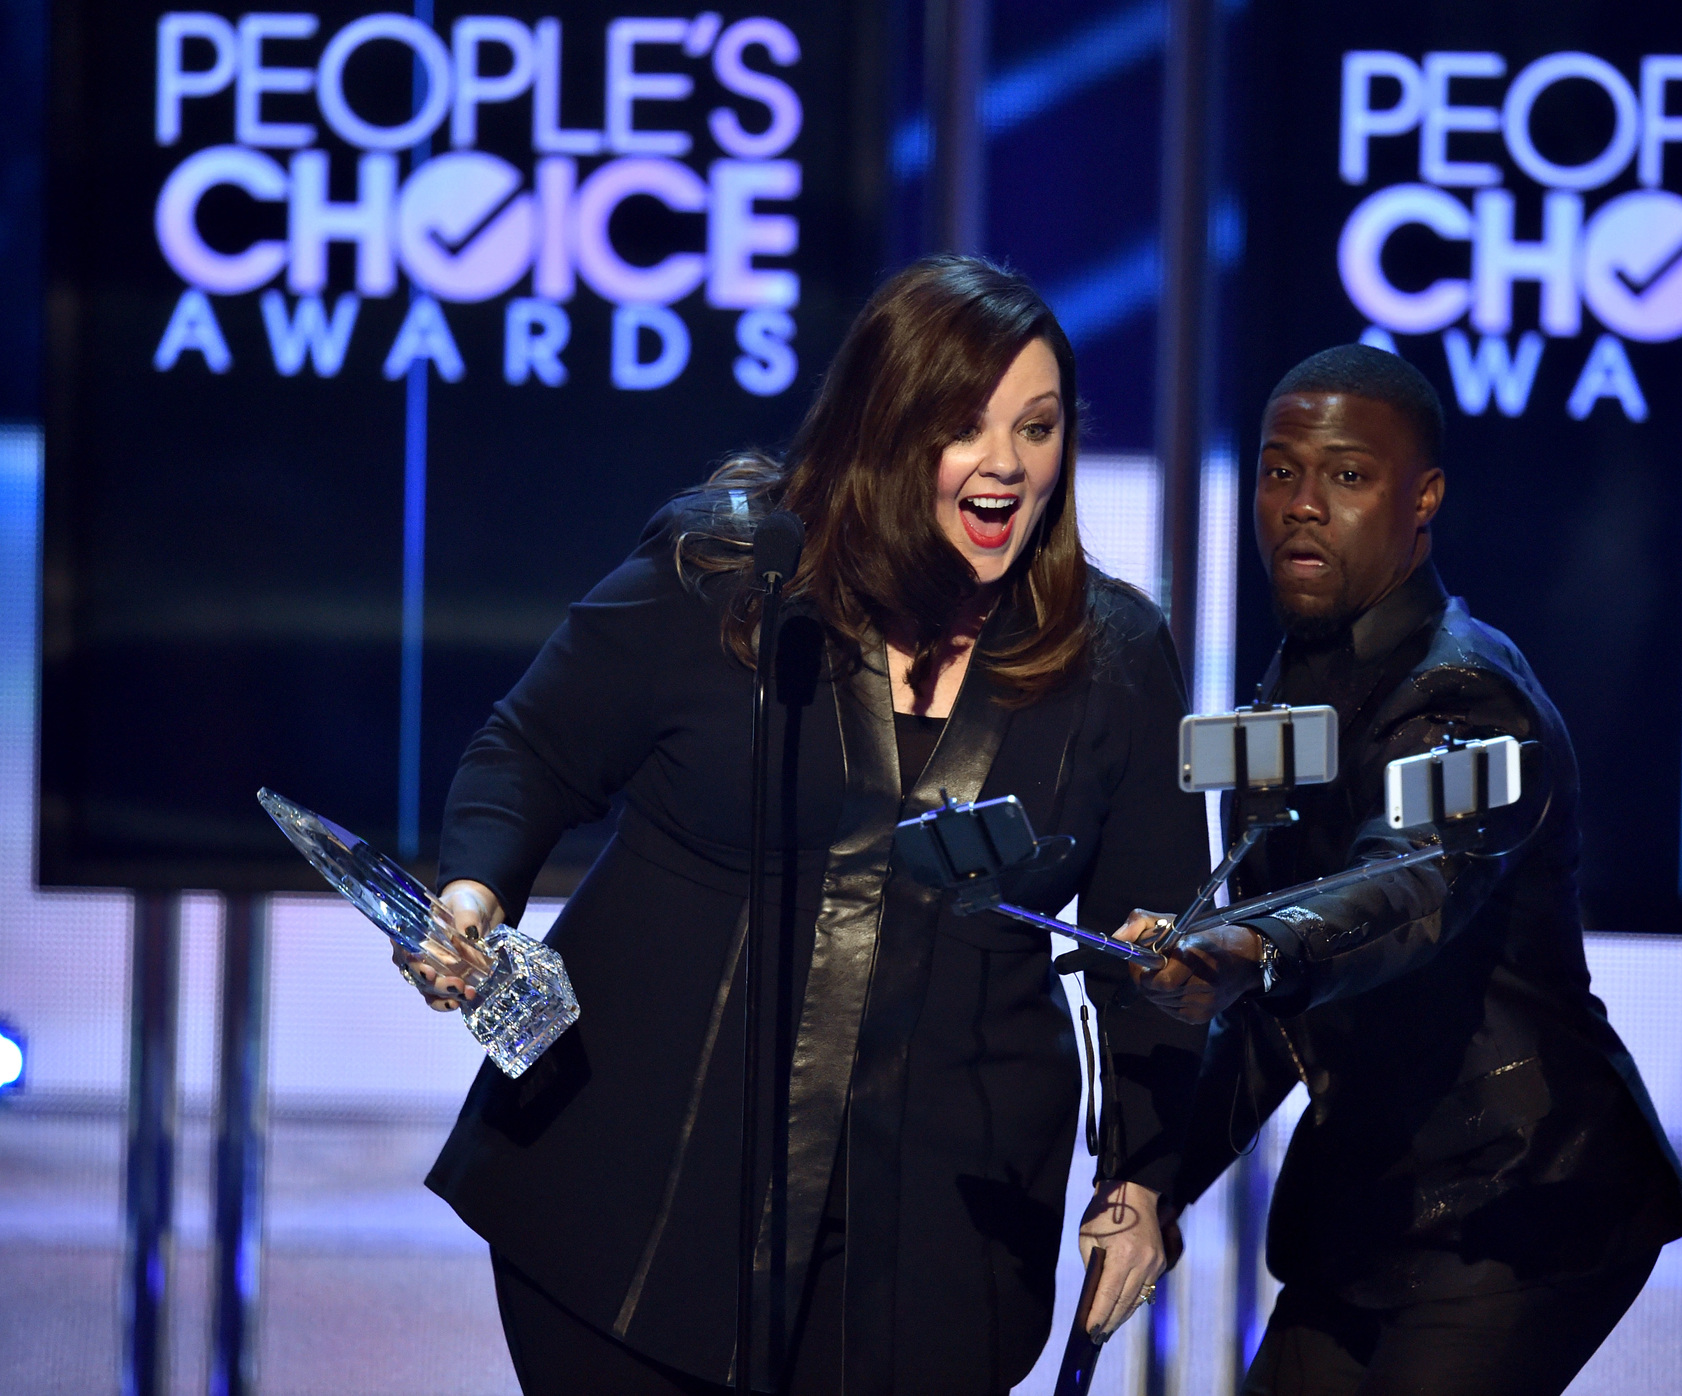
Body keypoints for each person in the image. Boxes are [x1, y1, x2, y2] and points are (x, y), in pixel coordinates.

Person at [400, 256, 1211, 1395]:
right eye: (964, 426)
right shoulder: (724, 574)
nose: (1006, 465)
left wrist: (1141, 1179)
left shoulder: (1112, 658)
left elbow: (1153, 951)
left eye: (1035, 429)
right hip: (634, 1190)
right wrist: (474, 896)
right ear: (884, 428)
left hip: (933, 1236)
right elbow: (529, 752)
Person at [1117, 345, 1682, 1396]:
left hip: (1519, 1198)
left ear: (1422, 497)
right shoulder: (1288, 694)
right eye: (1277, 470)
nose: (1301, 504)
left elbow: (1415, 884)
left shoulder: (1470, 698)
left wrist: (1253, 942)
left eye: (1345, 475)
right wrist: (1153, 1184)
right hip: (1375, 1201)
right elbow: (1265, 1005)